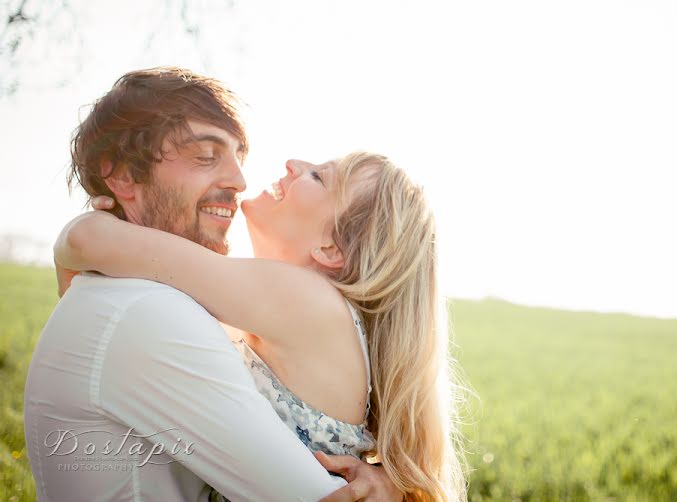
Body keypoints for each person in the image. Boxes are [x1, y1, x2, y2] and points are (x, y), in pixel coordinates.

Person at [52, 71, 468, 500]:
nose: (293, 164)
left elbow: (88, 241)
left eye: (319, 178)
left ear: (329, 248)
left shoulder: (307, 300)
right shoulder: (296, 317)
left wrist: (81, 237)